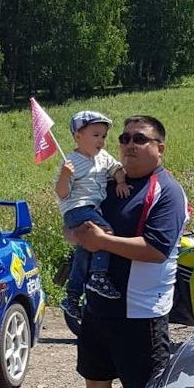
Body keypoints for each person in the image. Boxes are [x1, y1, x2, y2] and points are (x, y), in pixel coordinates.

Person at [58, 115, 189, 388]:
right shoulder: (104, 181)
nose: (130, 144)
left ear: (159, 147)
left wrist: (100, 242)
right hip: (99, 306)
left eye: (140, 139)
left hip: (141, 310)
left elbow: (156, 249)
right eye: (124, 138)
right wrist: (76, 235)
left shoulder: (167, 190)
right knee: (96, 381)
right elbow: (77, 225)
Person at [54, 110, 129, 317]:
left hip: (92, 208)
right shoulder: (69, 162)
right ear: (78, 136)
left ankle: (72, 295)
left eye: (104, 136)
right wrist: (64, 176)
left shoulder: (103, 157)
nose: (101, 141)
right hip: (76, 208)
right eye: (95, 135)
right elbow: (62, 193)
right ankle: (98, 276)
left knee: (85, 249)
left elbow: (117, 169)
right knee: (105, 233)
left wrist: (121, 181)